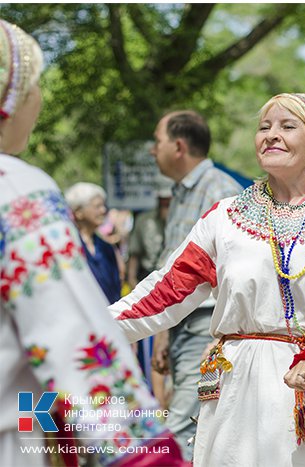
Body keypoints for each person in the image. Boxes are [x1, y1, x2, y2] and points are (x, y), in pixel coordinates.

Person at [108, 93, 305, 465]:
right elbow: (167, 289)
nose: (271, 135)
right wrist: (91, 327)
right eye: (264, 127)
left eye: (288, 126)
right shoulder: (226, 217)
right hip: (236, 386)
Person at [0, 18, 183, 465]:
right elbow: (75, 347)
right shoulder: (17, 194)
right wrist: (147, 454)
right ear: (10, 96)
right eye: (35, 85)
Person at [146, 109, 243, 459]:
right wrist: (162, 329)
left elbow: (234, 273)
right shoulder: (184, 193)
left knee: (181, 426)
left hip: (205, 324)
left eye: (157, 141)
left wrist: (220, 336)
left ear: (179, 146)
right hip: (181, 324)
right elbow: (173, 268)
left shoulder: (221, 190)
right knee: (191, 425)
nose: (151, 150)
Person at [127, 176, 173, 408]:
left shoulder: (181, 219)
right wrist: (135, 288)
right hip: (148, 288)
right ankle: (155, 404)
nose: (165, 203)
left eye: (169, 200)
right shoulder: (144, 221)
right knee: (150, 348)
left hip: (177, 289)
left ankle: (166, 403)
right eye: (162, 200)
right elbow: (133, 260)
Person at [64, 182, 122, 304]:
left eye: (103, 205)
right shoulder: (68, 247)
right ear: (78, 212)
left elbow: (116, 285)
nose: (103, 210)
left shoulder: (106, 247)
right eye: (97, 206)